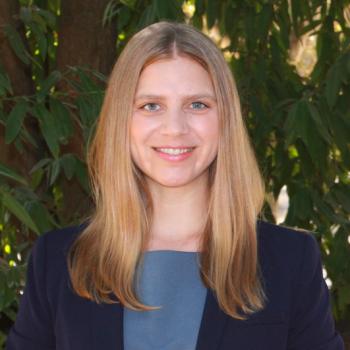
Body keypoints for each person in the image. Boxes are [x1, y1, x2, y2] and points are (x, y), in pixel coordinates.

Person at [6, 21, 345, 350]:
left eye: (197, 104)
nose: (175, 128)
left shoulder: (289, 261)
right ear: (121, 119)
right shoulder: (58, 262)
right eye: (151, 106)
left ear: (225, 119)